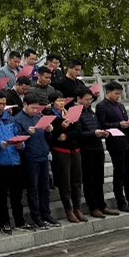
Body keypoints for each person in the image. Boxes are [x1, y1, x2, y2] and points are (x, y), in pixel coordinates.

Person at [0, 92, 31, 235]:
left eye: (4, 104)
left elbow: (18, 136)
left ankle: (20, 220)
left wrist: (21, 145)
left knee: (17, 194)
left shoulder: (10, 119)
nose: (1, 107)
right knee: (2, 196)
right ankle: (5, 222)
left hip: (15, 161)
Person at [96, 81, 129, 213]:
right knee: (119, 173)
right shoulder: (101, 106)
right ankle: (121, 201)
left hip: (127, 142)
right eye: (116, 93)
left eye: (120, 94)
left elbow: (125, 120)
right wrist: (119, 124)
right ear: (108, 92)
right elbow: (102, 124)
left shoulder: (120, 105)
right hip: (115, 143)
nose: (118, 96)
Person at [13, 96, 60, 229]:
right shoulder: (18, 119)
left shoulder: (38, 117)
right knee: (33, 188)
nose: (35, 110)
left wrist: (49, 131)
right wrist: (26, 133)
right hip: (29, 157)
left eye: (36, 108)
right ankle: (36, 216)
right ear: (25, 105)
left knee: (44, 187)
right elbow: (17, 139)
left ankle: (46, 213)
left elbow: (47, 137)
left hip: (43, 155)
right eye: (32, 107)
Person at [75, 86, 119, 218]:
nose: (89, 102)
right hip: (86, 150)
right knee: (89, 180)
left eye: (90, 99)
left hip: (98, 147)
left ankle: (102, 205)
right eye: (87, 99)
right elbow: (78, 133)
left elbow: (98, 126)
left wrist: (102, 133)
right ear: (79, 99)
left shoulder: (91, 112)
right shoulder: (76, 113)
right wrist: (93, 133)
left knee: (99, 179)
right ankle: (93, 207)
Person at [45, 92, 86, 222]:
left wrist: (67, 135)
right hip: (60, 151)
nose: (62, 103)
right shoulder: (49, 116)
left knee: (76, 180)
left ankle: (77, 208)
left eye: (63, 100)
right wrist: (62, 127)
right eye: (58, 101)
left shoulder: (70, 113)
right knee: (65, 181)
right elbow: (53, 136)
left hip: (75, 149)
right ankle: (68, 209)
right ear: (52, 102)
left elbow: (78, 130)